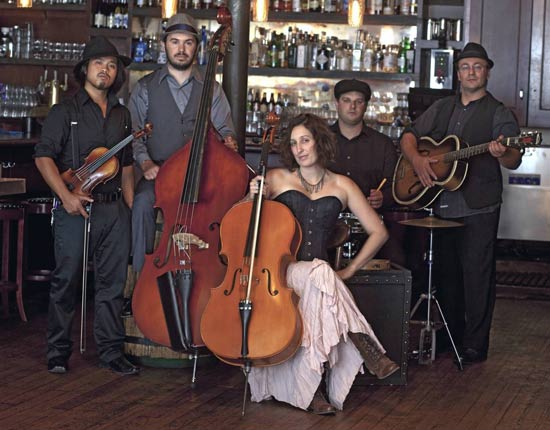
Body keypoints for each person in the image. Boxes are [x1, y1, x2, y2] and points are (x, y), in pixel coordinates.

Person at [247, 113, 399, 415]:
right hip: (281, 273)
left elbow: (379, 232)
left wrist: (350, 269)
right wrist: (252, 197)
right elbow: (243, 224)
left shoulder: (342, 185)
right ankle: (364, 343)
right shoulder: (276, 178)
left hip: (320, 279)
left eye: (305, 140)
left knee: (319, 278)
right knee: (321, 271)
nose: (299, 149)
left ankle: (312, 392)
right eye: (293, 143)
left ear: (320, 141)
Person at [399, 42, 523, 365]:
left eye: (477, 67)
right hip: (442, 203)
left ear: (487, 73)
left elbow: (514, 159)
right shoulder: (442, 107)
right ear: (457, 73)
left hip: (480, 205)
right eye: (466, 67)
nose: (471, 72)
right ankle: (451, 336)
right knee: (447, 276)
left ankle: (475, 345)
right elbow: (409, 134)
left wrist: (503, 152)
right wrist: (417, 160)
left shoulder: (498, 112)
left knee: (477, 277)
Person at [34, 37, 139, 375]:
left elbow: (126, 165)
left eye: (111, 65)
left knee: (112, 285)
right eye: (98, 63)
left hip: (113, 210)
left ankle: (111, 352)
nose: (105, 70)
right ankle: (57, 352)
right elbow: (43, 157)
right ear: (84, 69)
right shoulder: (65, 112)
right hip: (75, 207)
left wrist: (129, 208)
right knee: (66, 280)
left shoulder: (122, 114)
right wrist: (65, 197)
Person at [128, 13, 237, 273]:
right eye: (175, 42)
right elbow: (134, 134)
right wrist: (145, 164)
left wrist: (228, 142)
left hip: (201, 174)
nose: (181, 49)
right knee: (142, 203)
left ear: (197, 47)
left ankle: (211, 274)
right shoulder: (145, 87)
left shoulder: (212, 88)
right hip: (159, 172)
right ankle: (142, 276)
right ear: (164, 45)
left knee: (225, 204)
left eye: (188, 42)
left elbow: (225, 130)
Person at [328, 79, 403, 265]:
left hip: (370, 228)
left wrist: (383, 197)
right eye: (346, 100)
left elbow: (396, 187)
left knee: (399, 262)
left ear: (366, 106)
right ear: (336, 103)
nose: (352, 106)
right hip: (326, 225)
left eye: (359, 101)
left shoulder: (383, 144)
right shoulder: (320, 141)